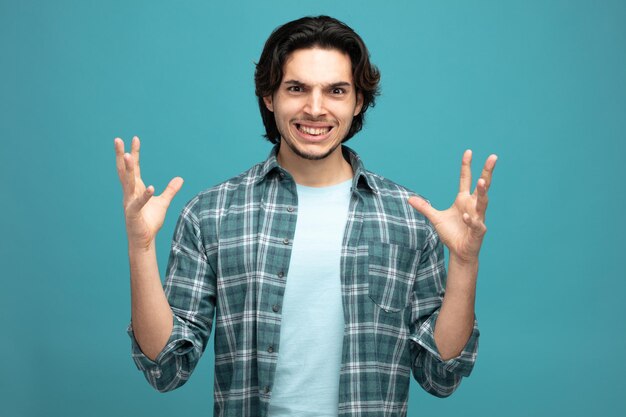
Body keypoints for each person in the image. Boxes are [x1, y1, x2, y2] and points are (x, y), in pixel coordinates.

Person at [114, 15, 497, 417]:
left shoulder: (410, 217)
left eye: (336, 91)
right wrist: (140, 248)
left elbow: (441, 375)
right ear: (269, 96)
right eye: (296, 88)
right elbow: (165, 368)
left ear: (358, 101)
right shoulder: (211, 213)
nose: (315, 109)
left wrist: (465, 263)